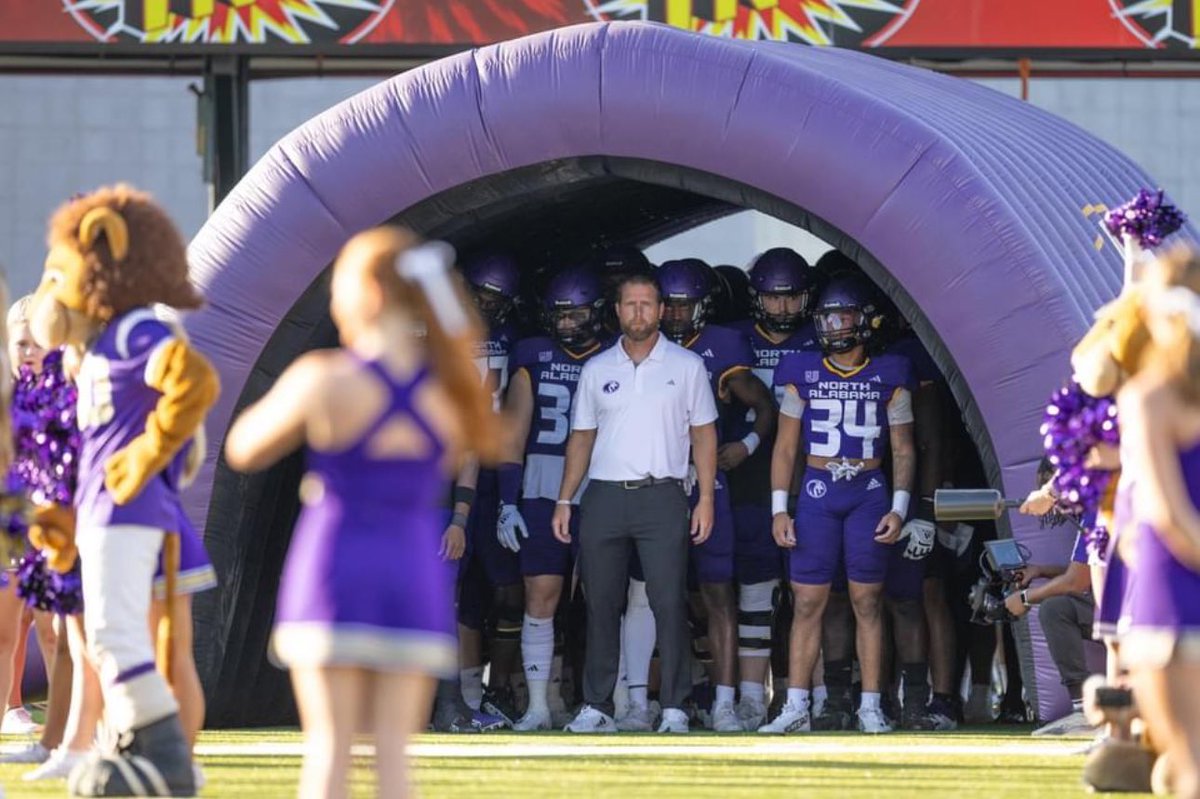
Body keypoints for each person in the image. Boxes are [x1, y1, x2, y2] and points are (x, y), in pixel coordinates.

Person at [225, 227, 501, 798]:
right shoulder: (451, 394)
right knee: (396, 764)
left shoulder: (324, 378)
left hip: (335, 564)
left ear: (363, 296)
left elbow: (243, 449)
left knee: (330, 754)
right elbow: (487, 440)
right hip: (411, 568)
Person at [554, 272, 718, 734]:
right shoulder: (597, 368)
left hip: (662, 493)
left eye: (648, 304)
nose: (639, 313)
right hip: (604, 495)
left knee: (668, 602)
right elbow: (582, 438)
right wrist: (565, 498)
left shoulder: (685, 365)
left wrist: (705, 497)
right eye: (631, 304)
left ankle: (674, 708)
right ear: (618, 311)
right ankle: (598, 706)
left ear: (662, 310)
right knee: (601, 604)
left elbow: (705, 434)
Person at [764, 276, 916, 735]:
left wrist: (900, 507)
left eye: (842, 317)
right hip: (816, 490)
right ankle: (795, 705)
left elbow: (904, 448)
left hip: (868, 489)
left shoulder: (890, 373)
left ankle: (871, 704)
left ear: (865, 321)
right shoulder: (800, 370)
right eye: (826, 319)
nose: (832, 327)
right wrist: (778, 508)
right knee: (807, 601)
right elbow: (785, 448)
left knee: (866, 600)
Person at [656, 257, 776, 732]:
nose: (677, 316)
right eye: (671, 306)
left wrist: (745, 446)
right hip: (656, 481)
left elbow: (762, 404)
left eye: (686, 306)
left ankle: (726, 701)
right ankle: (648, 699)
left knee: (717, 590)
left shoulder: (722, 346)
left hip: (707, 481)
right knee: (654, 595)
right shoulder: (642, 344)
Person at [496, 266, 607, 731]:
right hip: (542, 485)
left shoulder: (620, 356)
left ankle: (615, 701)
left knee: (606, 597)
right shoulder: (532, 355)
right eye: (559, 316)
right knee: (542, 593)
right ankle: (540, 704)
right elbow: (512, 434)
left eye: (574, 314)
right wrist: (507, 499)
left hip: (602, 485)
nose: (565, 324)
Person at [1115, 250, 1200, 799]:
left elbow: (1166, 516)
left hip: (1170, 599)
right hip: (1173, 596)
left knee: (1187, 769)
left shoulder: (1147, 397)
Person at [724, 248, 821, 728]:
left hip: (815, 483)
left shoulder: (821, 338)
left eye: (790, 298)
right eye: (772, 298)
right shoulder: (735, 340)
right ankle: (749, 698)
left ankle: (817, 695)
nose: (782, 308)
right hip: (750, 481)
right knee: (755, 593)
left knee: (812, 595)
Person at [451, 252, 523, 726]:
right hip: (453, 466)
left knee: (508, 588)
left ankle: (500, 687)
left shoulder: (515, 341)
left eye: (498, 300)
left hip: (497, 468)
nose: (488, 306)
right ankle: (465, 692)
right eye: (483, 295)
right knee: (460, 588)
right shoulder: (438, 333)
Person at [1008, 460, 1098, 736]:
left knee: (1054, 608)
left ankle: (1095, 716)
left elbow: (1077, 580)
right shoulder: (1095, 508)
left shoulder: (1099, 509)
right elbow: (1089, 570)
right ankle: (1085, 710)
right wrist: (1041, 570)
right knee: (1058, 607)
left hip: (1146, 612)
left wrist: (1025, 598)